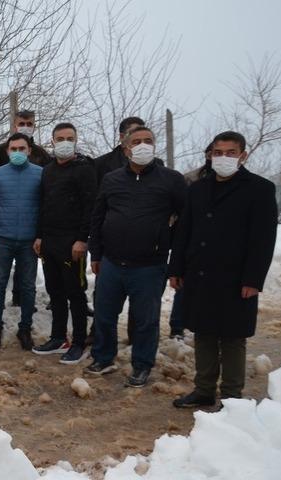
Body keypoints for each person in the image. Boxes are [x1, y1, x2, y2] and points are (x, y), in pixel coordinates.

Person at [170, 131, 277, 408]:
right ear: (210, 155)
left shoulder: (259, 189)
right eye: (218, 153)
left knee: (232, 336)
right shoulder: (198, 188)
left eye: (231, 153)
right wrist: (176, 268)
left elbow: (263, 240)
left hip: (236, 277)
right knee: (203, 333)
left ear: (243, 155)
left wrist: (253, 279)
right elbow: (184, 232)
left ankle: (231, 397)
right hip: (200, 274)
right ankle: (203, 389)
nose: (224, 158)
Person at [86, 126, 187, 387]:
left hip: (149, 266)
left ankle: (142, 365)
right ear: (126, 148)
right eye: (137, 141)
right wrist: (96, 253)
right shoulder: (111, 179)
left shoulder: (171, 179)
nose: (143, 145)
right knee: (105, 315)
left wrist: (167, 242)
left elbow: (186, 220)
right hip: (111, 262)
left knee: (145, 321)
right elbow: (97, 218)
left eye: (148, 141)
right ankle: (103, 357)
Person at [32, 123, 96, 364]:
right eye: (60, 138)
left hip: (73, 243)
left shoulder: (84, 169)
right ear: (52, 141)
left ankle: (79, 342)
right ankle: (58, 337)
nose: (65, 142)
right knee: (55, 291)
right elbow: (43, 205)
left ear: (76, 140)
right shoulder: (47, 170)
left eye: (70, 138)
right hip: (49, 241)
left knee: (75, 293)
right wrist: (39, 236)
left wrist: (82, 239)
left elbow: (90, 207)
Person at [90, 116, 148, 342]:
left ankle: (136, 337)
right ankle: (99, 336)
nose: (140, 143)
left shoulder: (159, 169)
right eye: (134, 135)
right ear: (122, 137)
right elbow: (95, 207)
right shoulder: (102, 165)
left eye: (145, 137)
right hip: (109, 243)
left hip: (144, 247)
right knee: (105, 296)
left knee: (141, 298)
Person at [0, 133, 42, 349]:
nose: (17, 152)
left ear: (29, 151)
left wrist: (40, 236)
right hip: (1, 240)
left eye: (22, 149)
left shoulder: (40, 174)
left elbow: (44, 209)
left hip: (29, 243)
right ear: (7, 151)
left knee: (28, 287)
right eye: (13, 149)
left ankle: (25, 328)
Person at [0, 109, 52, 309]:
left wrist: (41, 233)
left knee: (27, 281)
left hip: (29, 231)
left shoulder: (42, 157)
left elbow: (45, 200)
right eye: (21, 123)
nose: (25, 127)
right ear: (14, 124)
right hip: (4, 229)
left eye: (29, 123)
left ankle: (24, 310)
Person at [168, 144, 214, 339]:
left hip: (218, 244)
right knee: (184, 285)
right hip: (190, 241)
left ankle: (207, 325)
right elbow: (179, 211)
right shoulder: (191, 179)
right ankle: (177, 327)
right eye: (213, 153)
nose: (217, 158)